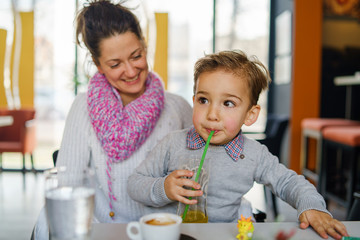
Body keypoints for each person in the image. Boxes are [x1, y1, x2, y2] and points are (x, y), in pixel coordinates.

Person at [127, 50, 349, 240]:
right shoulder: (173, 144)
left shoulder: (253, 155)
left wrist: (312, 206)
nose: (212, 114)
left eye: (228, 103)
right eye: (203, 100)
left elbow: (289, 182)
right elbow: (134, 183)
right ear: (194, 100)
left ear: (250, 115)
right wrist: (163, 187)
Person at [33, 0, 192, 239]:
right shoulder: (82, 109)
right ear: (98, 65)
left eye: (136, 56)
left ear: (145, 47)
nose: (130, 71)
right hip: (99, 231)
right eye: (115, 64)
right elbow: (68, 187)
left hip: (161, 231)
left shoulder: (178, 108)